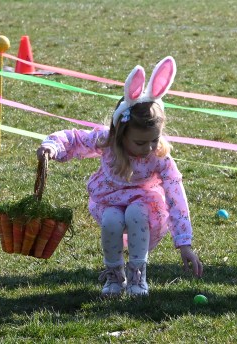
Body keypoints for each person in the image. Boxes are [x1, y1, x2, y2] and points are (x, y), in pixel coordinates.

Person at [37, 57, 203, 297]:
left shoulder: (159, 157)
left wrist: (184, 243)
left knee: (136, 213)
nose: (148, 148)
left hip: (145, 205)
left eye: (154, 140)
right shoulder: (107, 141)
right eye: (139, 142)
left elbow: (176, 194)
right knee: (112, 220)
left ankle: (138, 277)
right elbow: (75, 139)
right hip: (110, 201)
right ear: (120, 134)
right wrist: (53, 146)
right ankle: (115, 276)